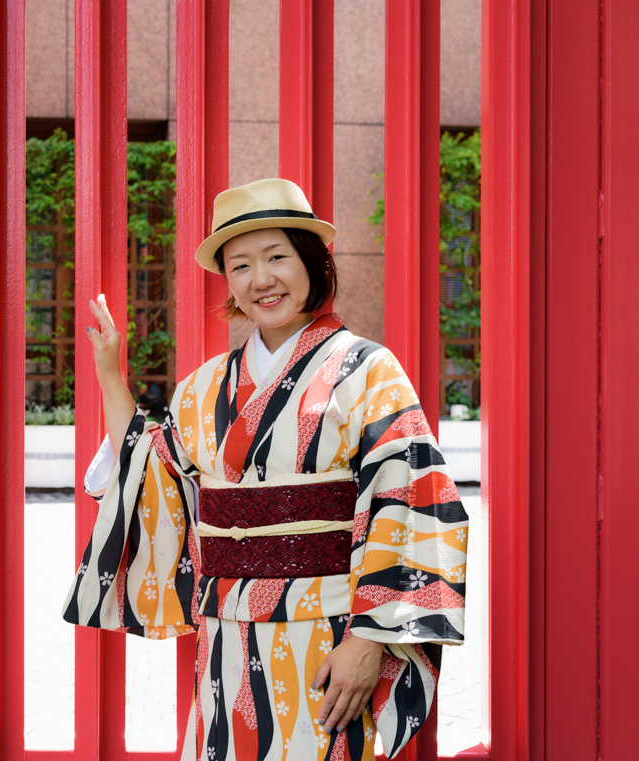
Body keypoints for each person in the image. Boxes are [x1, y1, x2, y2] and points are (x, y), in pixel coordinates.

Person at [63, 178, 467, 759]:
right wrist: (109, 373)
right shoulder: (203, 388)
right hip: (226, 638)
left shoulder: (368, 370)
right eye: (241, 265)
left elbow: (410, 502)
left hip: (331, 637)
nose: (261, 279)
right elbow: (150, 479)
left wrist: (370, 641)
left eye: (277, 256)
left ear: (311, 261)